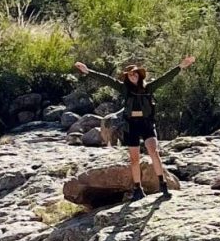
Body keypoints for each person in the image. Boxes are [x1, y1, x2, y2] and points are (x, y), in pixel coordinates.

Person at [73, 55, 196, 200]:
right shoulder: (124, 89)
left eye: (135, 73)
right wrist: (88, 71)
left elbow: (165, 78)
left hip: (147, 124)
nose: (133, 76)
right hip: (131, 125)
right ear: (127, 77)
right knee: (134, 159)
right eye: (130, 74)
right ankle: (138, 188)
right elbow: (106, 79)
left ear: (139, 75)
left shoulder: (149, 88)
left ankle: (163, 185)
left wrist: (181, 66)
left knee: (153, 152)